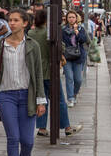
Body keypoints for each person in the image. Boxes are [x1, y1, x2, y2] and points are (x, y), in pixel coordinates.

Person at [0, 9, 47, 156]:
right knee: (13, 137)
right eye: (10, 20)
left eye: (16, 20)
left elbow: (38, 73)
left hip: (27, 95)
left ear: (25, 23)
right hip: (6, 96)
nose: (11, 23)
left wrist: (41, 100)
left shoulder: (32, 45)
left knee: (27, 140)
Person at [30, 8, 81, 138]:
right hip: (50, 70)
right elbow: (61, 47)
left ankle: (41, 128)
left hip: (36, 70)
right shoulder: (49, 33)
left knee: (41, 99)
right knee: (59, 100)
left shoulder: (30, 33)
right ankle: (67, 127)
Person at [61, 10, 88, 106]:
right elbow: (61, 42)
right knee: (69, 78)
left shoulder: (81, 29)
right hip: (67, 56)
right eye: (69, 17)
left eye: (73, 17)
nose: (71, 19)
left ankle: (74, 93)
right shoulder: (63, 29)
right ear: (67, 19)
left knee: (78, 80)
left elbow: (84, 40)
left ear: (76, 18)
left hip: (78, 56)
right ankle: (70, 98)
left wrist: (77, 32)